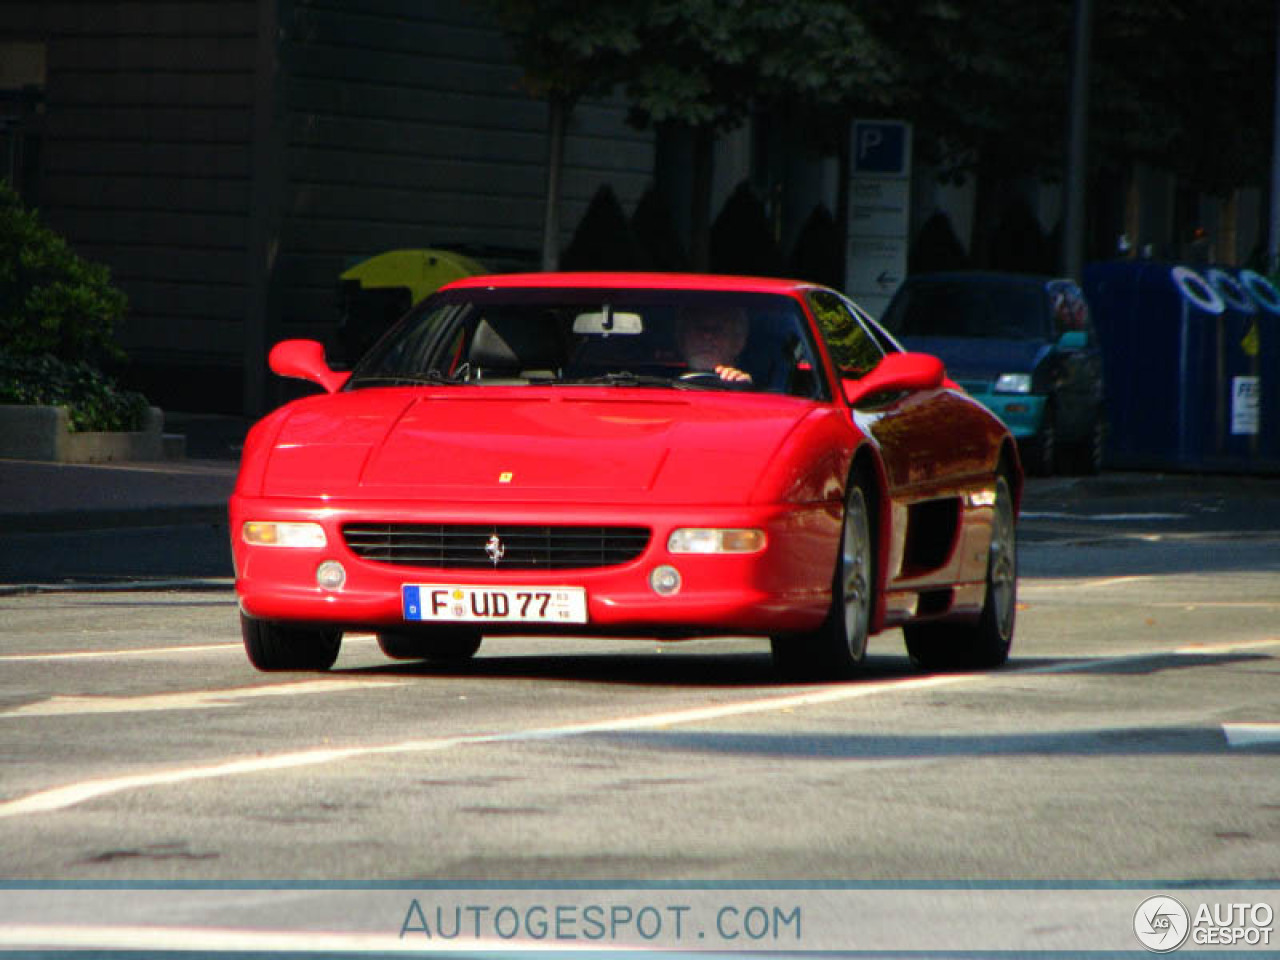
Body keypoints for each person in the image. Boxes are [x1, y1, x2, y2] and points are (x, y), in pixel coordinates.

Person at [675, 305, 752, 383]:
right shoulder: (663, 387)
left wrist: (743, 389)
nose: (707, 336)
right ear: (681, 340)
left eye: (717, 329)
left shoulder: (758, 392)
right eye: (699, 328)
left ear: (738, 342)